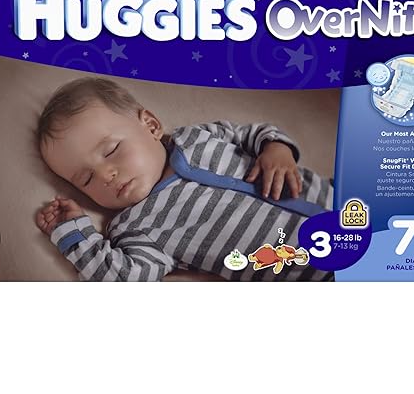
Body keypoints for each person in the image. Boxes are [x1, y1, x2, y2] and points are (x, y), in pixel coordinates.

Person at [36, 77, 333, 281]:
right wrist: (75, 234)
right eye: (86, 179)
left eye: (112, 150)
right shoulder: (137, 227)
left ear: (151, 125)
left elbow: (252, 133)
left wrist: (277, 149)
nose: (105, 175)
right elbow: (124, 277)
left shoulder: (196, 136)